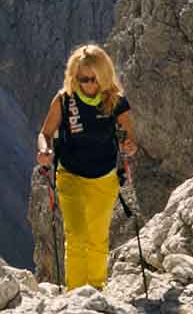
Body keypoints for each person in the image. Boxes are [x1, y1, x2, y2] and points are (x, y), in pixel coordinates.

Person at [35, 44, 137, 290]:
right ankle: (76, 296)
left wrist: (129, 146)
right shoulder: (64, 100)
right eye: (83, 79)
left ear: (104, 76)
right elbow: (45, 133)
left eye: (94, 79)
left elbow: (130, 139)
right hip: (70, 176)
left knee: (97, 239)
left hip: (104, 179)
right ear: (74, 76)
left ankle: (96, 290)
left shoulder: (115, 101)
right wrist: (43, 150)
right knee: (77, 235)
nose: (90, 84)